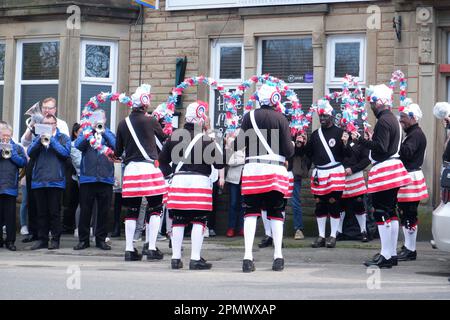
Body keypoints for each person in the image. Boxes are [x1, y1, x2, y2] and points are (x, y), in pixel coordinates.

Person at [231, 84, 294, 272]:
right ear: (274, 99)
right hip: (275, 170)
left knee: (250, 213)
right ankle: (278, 257)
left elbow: (237, 146)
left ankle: (247, 257)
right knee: (276, 213)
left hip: (253, 170)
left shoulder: (248, 117)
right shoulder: (281, 118)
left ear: (258, 98)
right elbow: (289, 151)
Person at [159, 101, 224, 270]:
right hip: (199, 184)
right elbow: (219, 165)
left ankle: (175, 258)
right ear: (200, 118)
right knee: (199, 221)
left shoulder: (174, 136)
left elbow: (162, 161)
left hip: (178, 181)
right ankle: (195, 258)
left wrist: (169, 176)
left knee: (178, 220)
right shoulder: (206, 140)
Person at [352, 84, 411, 268]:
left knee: (381, 212)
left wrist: (361, 140)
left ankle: (386, 255)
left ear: (379, 103)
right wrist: (372, 140)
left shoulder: (384, 121)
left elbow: (382, 148)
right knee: (390, 212)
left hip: (385, 169)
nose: (371, 106)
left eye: (372, 102)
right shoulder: (393, 120)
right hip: (392, 168)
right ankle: (390, 253)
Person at [115, 84, 167, 261]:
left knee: (132, 209)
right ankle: (151, 247)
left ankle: (129, 249)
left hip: (131, 170)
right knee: (155, 207)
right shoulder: (150, 120)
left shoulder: (123, 123)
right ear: (145, 103)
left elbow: (117, 151)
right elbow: (164, 139)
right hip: (148, 168)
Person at [296, 100, 349, 249]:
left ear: (331, 116)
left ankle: (332, 236)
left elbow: (347, 155)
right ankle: (321, 236)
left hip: (335, 173)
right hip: (320, 173)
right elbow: (308, 154)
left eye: (325, 116)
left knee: (333, 203)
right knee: (320, 205)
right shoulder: (315, 134)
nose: (323, 119)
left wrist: (345, 144)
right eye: (321, 117)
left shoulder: (340, 133)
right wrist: (301, 145)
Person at [21, 97, 69, 243]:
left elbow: (65, 153)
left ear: (55, 123)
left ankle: (55, 240)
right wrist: (37, 133)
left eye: (50, 124)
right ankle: (41, 239)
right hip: (39, 177)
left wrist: (51, 138)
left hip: (55, 178)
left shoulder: (62, 133)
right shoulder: (38, 130)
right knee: (40, 211)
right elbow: (28, 149)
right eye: (45, 123)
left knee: (54, 211)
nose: (48, 125)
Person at [73, 109, 116, 251]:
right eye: (96, 118)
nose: (99, 120)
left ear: (105, 119)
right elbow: (78, 145)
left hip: (105, 178)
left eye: (101, 118)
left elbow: (117, 147)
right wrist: (90, 131)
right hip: (88, 178)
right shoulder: (86, 132)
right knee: (86, 211)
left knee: (104, 212)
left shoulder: (109, 133)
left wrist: (104, 132)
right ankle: (83, 240)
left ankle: (101, 239)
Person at [397, 103, 428, 261]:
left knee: (409, 214)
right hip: (409, 176)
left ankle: (411, 249)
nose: (400, 119)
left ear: (413, 118)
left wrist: (395, 145)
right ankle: (408, 246)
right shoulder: (412, 133)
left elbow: (407, 153)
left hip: (411, 177)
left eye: (403, 117)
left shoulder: (415, 134)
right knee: (405, 213)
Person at [339, 130, 371, 242]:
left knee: (359, 205)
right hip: (342, 176)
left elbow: (366, 160)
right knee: (340, 205)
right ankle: (339, 232)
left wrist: (352, 169)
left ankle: (363, 231)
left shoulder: (362, 142)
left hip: (356, 176)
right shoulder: (341, 139)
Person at [0, 122, 27, 251]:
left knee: (10, 216)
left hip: (10, 187)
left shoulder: (17, 148)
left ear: (11, 135)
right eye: (3, 135)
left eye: (8, 135)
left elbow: (23, 162)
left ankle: (10, 241)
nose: (5, 137)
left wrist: (12, 153)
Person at [224, 136, 245, 238]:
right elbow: (229, 161)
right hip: (234, 180)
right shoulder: (232, 147)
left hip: (245, 180)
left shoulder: (249, 148)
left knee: (243, 204)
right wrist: (243, 160)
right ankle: (231, 228)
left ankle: (241, 228)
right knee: (233, 204)